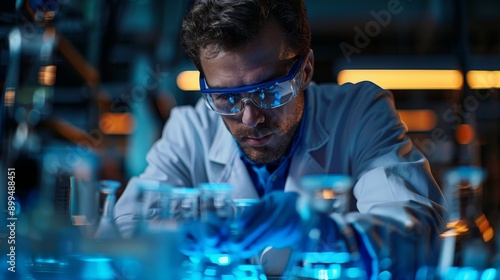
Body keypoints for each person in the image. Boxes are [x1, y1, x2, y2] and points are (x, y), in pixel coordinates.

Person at [114, 0, 446, 278]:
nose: (250, 117)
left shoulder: (359, 114)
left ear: (305, 70)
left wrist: (318, 232)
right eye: (225, 97)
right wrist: (175, 238)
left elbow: (418, 234)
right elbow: (122, 231)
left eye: (269, 91)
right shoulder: (191, 130)